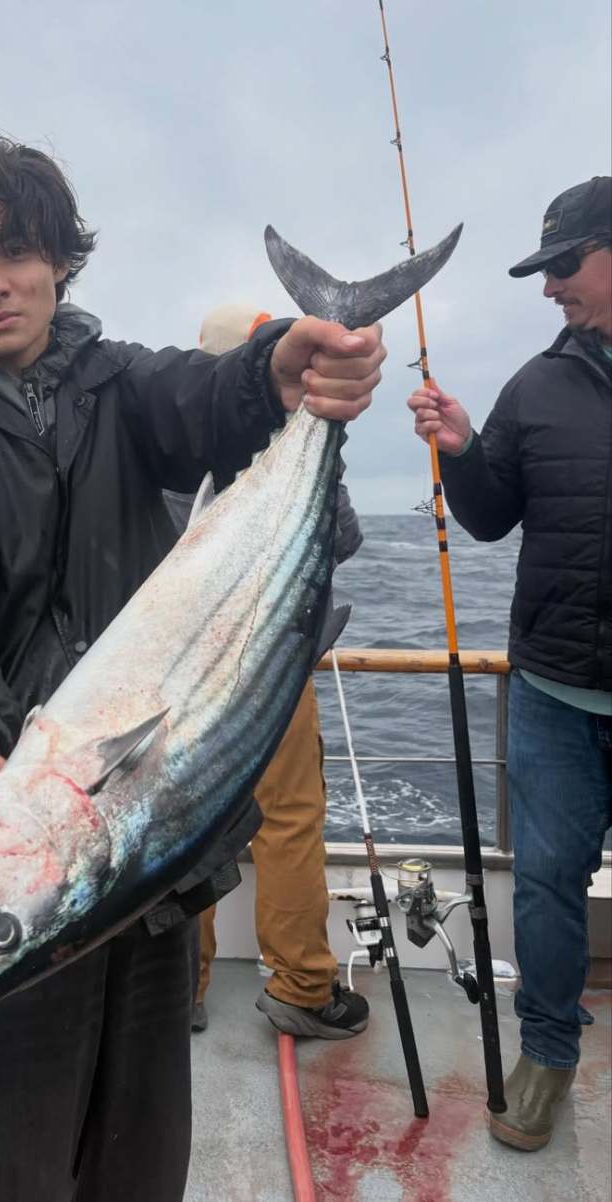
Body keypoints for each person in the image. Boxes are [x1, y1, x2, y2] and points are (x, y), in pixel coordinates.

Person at [0, 120, 387, 1202]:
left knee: (138, 1153)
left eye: (16, 250)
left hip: (146, 854)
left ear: (59, 258)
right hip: (3, 825)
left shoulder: (119, 386)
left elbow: (207, 397)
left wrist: (278, 367)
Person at [407, 175, 611, 1152]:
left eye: (563, 265)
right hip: (552, 691)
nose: (548, 289)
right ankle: (547, 1053)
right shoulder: (535, 384)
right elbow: (489, 515)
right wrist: (457, 449)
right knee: (544, 883)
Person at [169, 304, 369, 1041]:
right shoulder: (291, 434)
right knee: (286, 822)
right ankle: (299, 987)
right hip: (276, 665)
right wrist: (321, 451)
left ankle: (178, 990)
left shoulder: (169, 442)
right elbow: (340, 542)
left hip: (181, 679)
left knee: (181, 828)